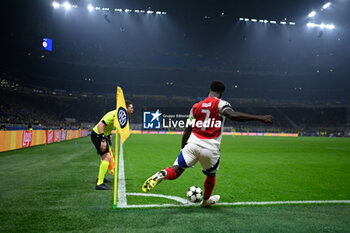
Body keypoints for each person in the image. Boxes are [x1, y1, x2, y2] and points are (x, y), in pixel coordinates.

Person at [142, 81, 273, 207]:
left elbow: (188, 129)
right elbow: (233, 115)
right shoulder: (221, 104)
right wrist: (259, 118)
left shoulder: (195, 106)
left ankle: (164, 174)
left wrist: (183, 148)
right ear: (221, 93)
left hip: (192, 144)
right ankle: (205, 201)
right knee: (211, 175)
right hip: (210, 148)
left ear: (209, 91)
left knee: (177, 169)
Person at [91, 100, 134, 190]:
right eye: (131, 107)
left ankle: (100, 178)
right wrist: (103, 139)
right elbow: (100, 125)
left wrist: (109, 134)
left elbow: (109, 125)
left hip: (101, 135)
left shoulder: (120, 115)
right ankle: (99, 184)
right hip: (97, 134)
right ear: (126, 108)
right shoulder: (115, 114)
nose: (132, 109)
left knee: (105, 157)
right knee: (107, 157)